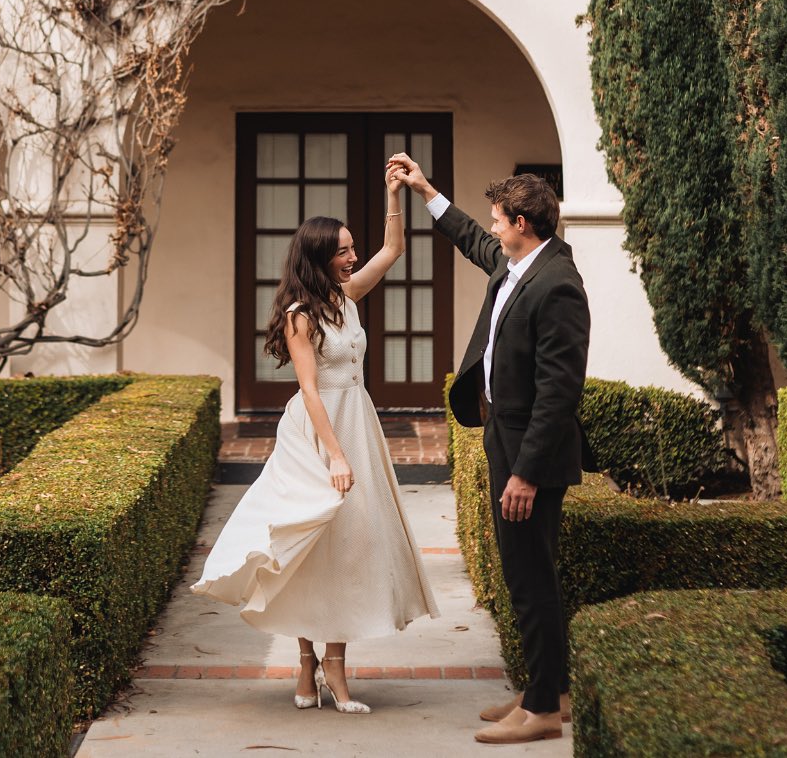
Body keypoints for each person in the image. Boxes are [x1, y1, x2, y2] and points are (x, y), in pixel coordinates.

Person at [191, 162, 438, 714]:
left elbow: (393, 249)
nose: (352, 257)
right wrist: (335, 456)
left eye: (352, 249)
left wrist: (393, 194)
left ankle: (336, 664)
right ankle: (306, 660)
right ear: (318, 257)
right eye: (343, 251)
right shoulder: (300, 316)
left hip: (358, 421)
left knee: (349, 545)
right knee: (307, 545)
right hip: (317, 432)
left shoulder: (348, 296)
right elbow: (308, 389)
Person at [388, 153, 590, 746]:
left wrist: (526, 473)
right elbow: (472, 239)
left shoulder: (557, 285)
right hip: (503, 432)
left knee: (530, 577)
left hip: (532, 453)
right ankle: (549, 691)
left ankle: (543, 711)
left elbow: (559, 392)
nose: (493, 228)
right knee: (525, 572)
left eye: (500, 219)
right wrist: (425, 190)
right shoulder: (518, 263)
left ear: (522, 224)